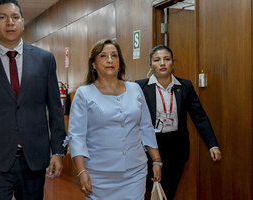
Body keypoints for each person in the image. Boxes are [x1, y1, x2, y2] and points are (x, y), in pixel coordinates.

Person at [0, 0, 67, 199]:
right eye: (2, 17)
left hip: (33, 160)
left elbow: (55, 111)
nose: (10, 22)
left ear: (22, 21)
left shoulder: (45, 60)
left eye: (15, 17)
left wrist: (58, 151)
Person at [68, 39, 162, 200]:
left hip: (135, 172)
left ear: (120, 62)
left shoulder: (135, 89)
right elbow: (76, 137)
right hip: (99, 175)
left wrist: (156, 160)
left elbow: (145, 127)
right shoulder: (84, 94)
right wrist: (82, 171)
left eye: (114, 55)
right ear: (94, 64)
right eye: (103, 56)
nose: (110, 60)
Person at [136, 45, 222, 200]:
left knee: (169, 191)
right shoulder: (139, 87)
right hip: (149, 148)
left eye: (167, 59)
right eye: (157, 60)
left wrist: (212, 144)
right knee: (153, 190)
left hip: (177, 148)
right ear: (150, 65)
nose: (162, 63)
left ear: (172, 63)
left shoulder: (185, 86)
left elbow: (199, 117)